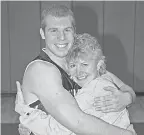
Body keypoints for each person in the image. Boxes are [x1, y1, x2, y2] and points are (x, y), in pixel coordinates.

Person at [15, 4, 136, 135]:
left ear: (74, 32)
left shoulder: (80, 63)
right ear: (42, 33)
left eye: (67, 30)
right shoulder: (41, 70)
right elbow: (78, 123)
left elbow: (123, 86)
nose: (61, 37)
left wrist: (126, 98)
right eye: (53, 31)